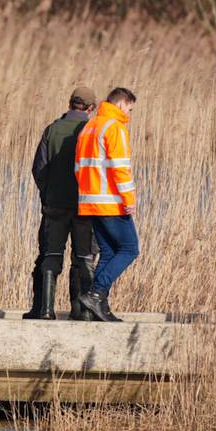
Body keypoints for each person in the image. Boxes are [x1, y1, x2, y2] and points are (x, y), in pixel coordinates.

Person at [24, 86, 98, 321]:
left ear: (69, 104)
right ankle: (81, 311)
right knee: (84, 257)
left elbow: (39, 169)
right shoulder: (93, 131)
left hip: (54, 205)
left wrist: (48, 194)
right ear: (91, 108)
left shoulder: (51, 129)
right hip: (85, 206)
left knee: (51, 253)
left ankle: (45, 310)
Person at [74, 87, 139, 323]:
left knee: (110, 252)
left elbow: (78, 168)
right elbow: (120, 168)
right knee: (130, 249)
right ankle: (95, 293)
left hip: (89, 200)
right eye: (129, 108)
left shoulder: (89, 127)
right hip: (110, 201)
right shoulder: (114, 127)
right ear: (121, 104)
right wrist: (129, 199)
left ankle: (98, 307)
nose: (129, 114)